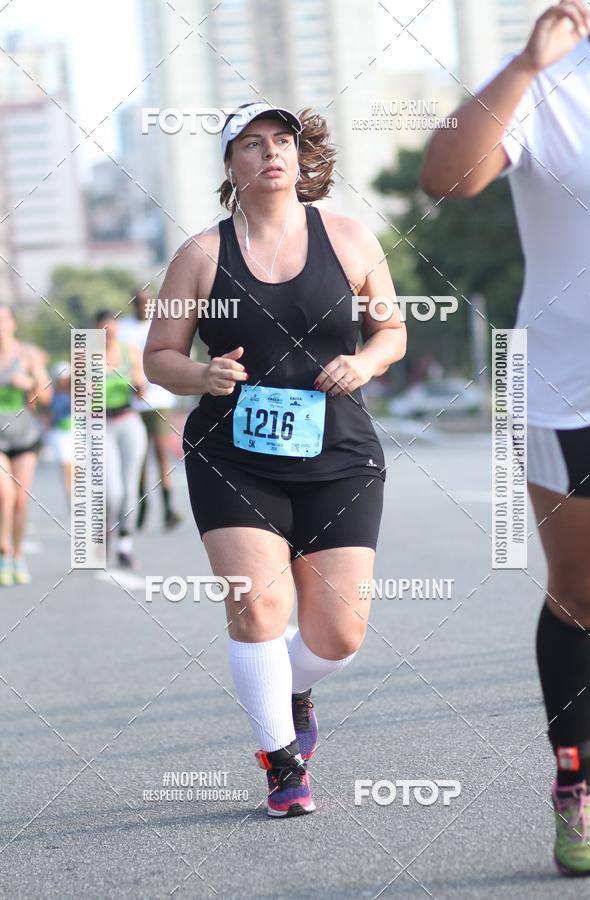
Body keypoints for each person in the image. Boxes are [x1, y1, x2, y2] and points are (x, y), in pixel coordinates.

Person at [144, 102, 406, 817]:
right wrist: (203, 376)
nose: (271, 154)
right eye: (253, 145)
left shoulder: (350, 237)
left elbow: (393, 333)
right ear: (230, 167)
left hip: (340, 454)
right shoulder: (201, 254)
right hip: (234, 456)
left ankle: (289, 686)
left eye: (282, 141)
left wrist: (366, 363)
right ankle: (280, 761)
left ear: (299, 154)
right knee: (256, 608)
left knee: (339, 633)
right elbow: (160, 357)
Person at [421, 0, 590, 876]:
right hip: (571, 382)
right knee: (586, 592)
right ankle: (577, 785)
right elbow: (446, 176)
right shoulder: (549, 82)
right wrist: (528, 64)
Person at [119, 290, 182, 531]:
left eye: (147, 302)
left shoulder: (162, 323)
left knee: (161, 453)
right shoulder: (123, 328)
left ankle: (167, 509)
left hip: (160, 399)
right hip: (133, 402)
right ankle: (143, 505)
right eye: (139, 302)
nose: (143, 306)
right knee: (139, 458)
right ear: (133, 304)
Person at [0, 305, 51, 586]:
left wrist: (29, 382)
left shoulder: (28, 355)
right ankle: (3, 552)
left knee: (20, 499)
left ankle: (18, 554)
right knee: (3, 494)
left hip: (24, 437)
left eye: (3, 320)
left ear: (12, 324)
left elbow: (46, 398)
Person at [95, 310, 147, 569]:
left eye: (112, 328)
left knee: (129, 490)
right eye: (103, 329)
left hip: (128, 421)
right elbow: (73, 395)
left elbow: (141, 392)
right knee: (111, 491)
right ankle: (105, 533)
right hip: (101, 424)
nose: (109, 333)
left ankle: (125, 545)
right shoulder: (87, 356)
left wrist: (139, 384)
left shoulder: (131, 352)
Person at [47, 361, 72, 501]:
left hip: (79, 432)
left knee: (78, 468)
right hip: (61, 434)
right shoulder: (53, 394)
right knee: (67, 466)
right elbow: (49, 413)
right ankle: (71, 496)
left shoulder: (76, 392)